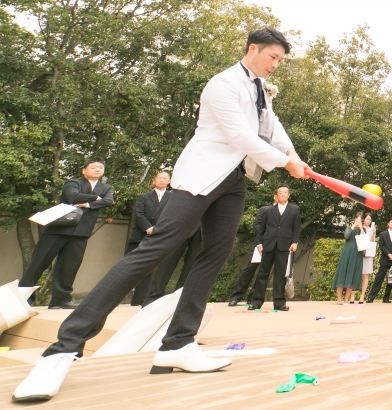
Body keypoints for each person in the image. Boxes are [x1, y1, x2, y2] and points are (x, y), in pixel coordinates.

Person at [13, 27, 309, 403]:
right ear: (253, 49)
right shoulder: (223, 83)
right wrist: (284, 164)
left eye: (281, 60)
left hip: (234, 179)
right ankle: (61, 351)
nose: (276, 65)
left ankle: (178, 344)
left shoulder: (260, 90)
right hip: (201, 176)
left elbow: (271, 128)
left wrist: (293, 155)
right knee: (156, 249)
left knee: (215, 255)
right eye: (273, 58)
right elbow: (239, 135)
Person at [20, 159, 115, 310]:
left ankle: (61, 300)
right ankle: (22, 298)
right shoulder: (73, 182)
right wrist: (95, 198)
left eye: (101, 167)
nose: (98, 169)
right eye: (93, 167)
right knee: (39, 263)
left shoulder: (106, 187)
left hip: (81, 232)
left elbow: (109, 201)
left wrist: (87, 204)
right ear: (84, 171)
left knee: (69, 267)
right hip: (58, 229)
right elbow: (72, 196)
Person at [249, 186, 300, 311]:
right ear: (276, 196)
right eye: (280, 193)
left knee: (280, 275)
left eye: (285, 192)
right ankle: (256, 302)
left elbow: (296, 227)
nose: (283, 195)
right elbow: (261, 229)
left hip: (285, 245)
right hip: (268, 245)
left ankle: (279, 303)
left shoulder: (294, 209)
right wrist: (259, 244)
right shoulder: (269, 210)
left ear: (289, 195)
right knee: (262, 274)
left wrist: (295, 242)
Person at [125, 172, 172, 306]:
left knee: (151, 268)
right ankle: (127, 297)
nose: (162, 180)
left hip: (161, 235)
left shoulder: (172, 197)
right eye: (159, 178)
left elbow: (172, 216)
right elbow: (138, 215)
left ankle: (144, 299)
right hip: (141, 234)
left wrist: (160, 230)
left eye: (165, 178)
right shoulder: (144, 197)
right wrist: (148, 228)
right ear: (154, 181)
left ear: (169, 181)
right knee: (132, 266)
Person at [227, 199, 275, 306]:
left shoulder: (284, 214)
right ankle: (236, 297)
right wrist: (267, 236)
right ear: (275, 197)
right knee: (250, 269)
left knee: (263, 272)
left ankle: (253, 298)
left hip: (273, 247)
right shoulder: (265, 210)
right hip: (260, 245)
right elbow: (256, 225)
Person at [333, 213, 365, 305]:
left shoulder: (362, 230)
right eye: (357, 219)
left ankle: (346, 299)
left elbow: (364, 239)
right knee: (342, 273)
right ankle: (339, 299)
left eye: (360, 219)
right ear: (354, 219)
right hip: (347, 251)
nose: (359, 221)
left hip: (357, 252)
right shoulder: (349, 227)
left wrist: (361, 228)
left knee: (352, 273)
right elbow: (346, 236)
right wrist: (354, 226)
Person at [367, 218, 392, 303]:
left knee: (391, 279)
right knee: (379, 278)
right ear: (388, 224)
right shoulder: (383, 234)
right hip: (385, 259)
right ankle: (371, 297)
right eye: (391, 222)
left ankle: (386, 297)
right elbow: (381, 246)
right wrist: (388, 254)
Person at [359, 213, 375, 304]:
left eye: (370, 219)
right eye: (367, 219)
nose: (368, 221)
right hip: (360, 252)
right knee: (357, 274)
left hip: (368, 253)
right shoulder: (360, 228)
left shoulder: (371, 229)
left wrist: (373, 233)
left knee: (365, 275)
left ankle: (362, 296)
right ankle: (352, 295)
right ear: (363, 219)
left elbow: (372, 241)